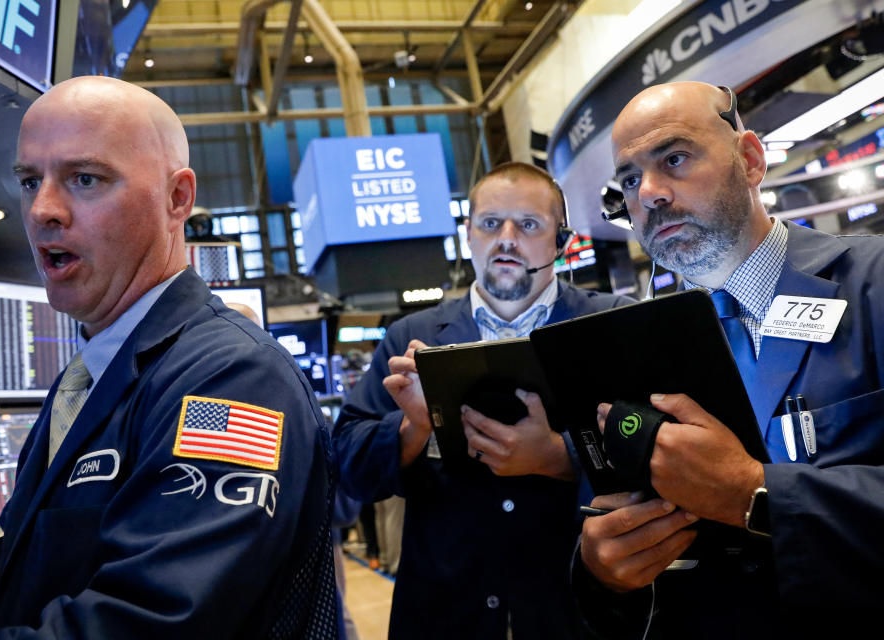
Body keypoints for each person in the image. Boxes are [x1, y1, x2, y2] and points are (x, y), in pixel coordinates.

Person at [0, 76, 338, 638]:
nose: (43, 209)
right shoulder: (85, 380)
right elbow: (19, 562)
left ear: (177, 199)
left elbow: (153, 621)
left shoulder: (232, 380)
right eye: (29, 181)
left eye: (85, 178)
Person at [575, 81, 884, 637]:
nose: (649, 193)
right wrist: (603, 574)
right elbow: (614, 526)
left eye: (673, 158)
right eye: (628, 179)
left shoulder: (874, 283)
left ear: (750, 159)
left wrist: (756, 495)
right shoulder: (636, 346)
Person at [334, 162, 630, 638]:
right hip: (444, 611)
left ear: (561, 240)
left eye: (529, 224)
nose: (506, 238)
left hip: (577, 610)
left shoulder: (613, 326)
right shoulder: (412, 336)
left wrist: (560, 457)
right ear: (467, 236)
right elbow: (347, 464)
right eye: (491, 223)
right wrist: (414, 429)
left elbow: (659, 455)